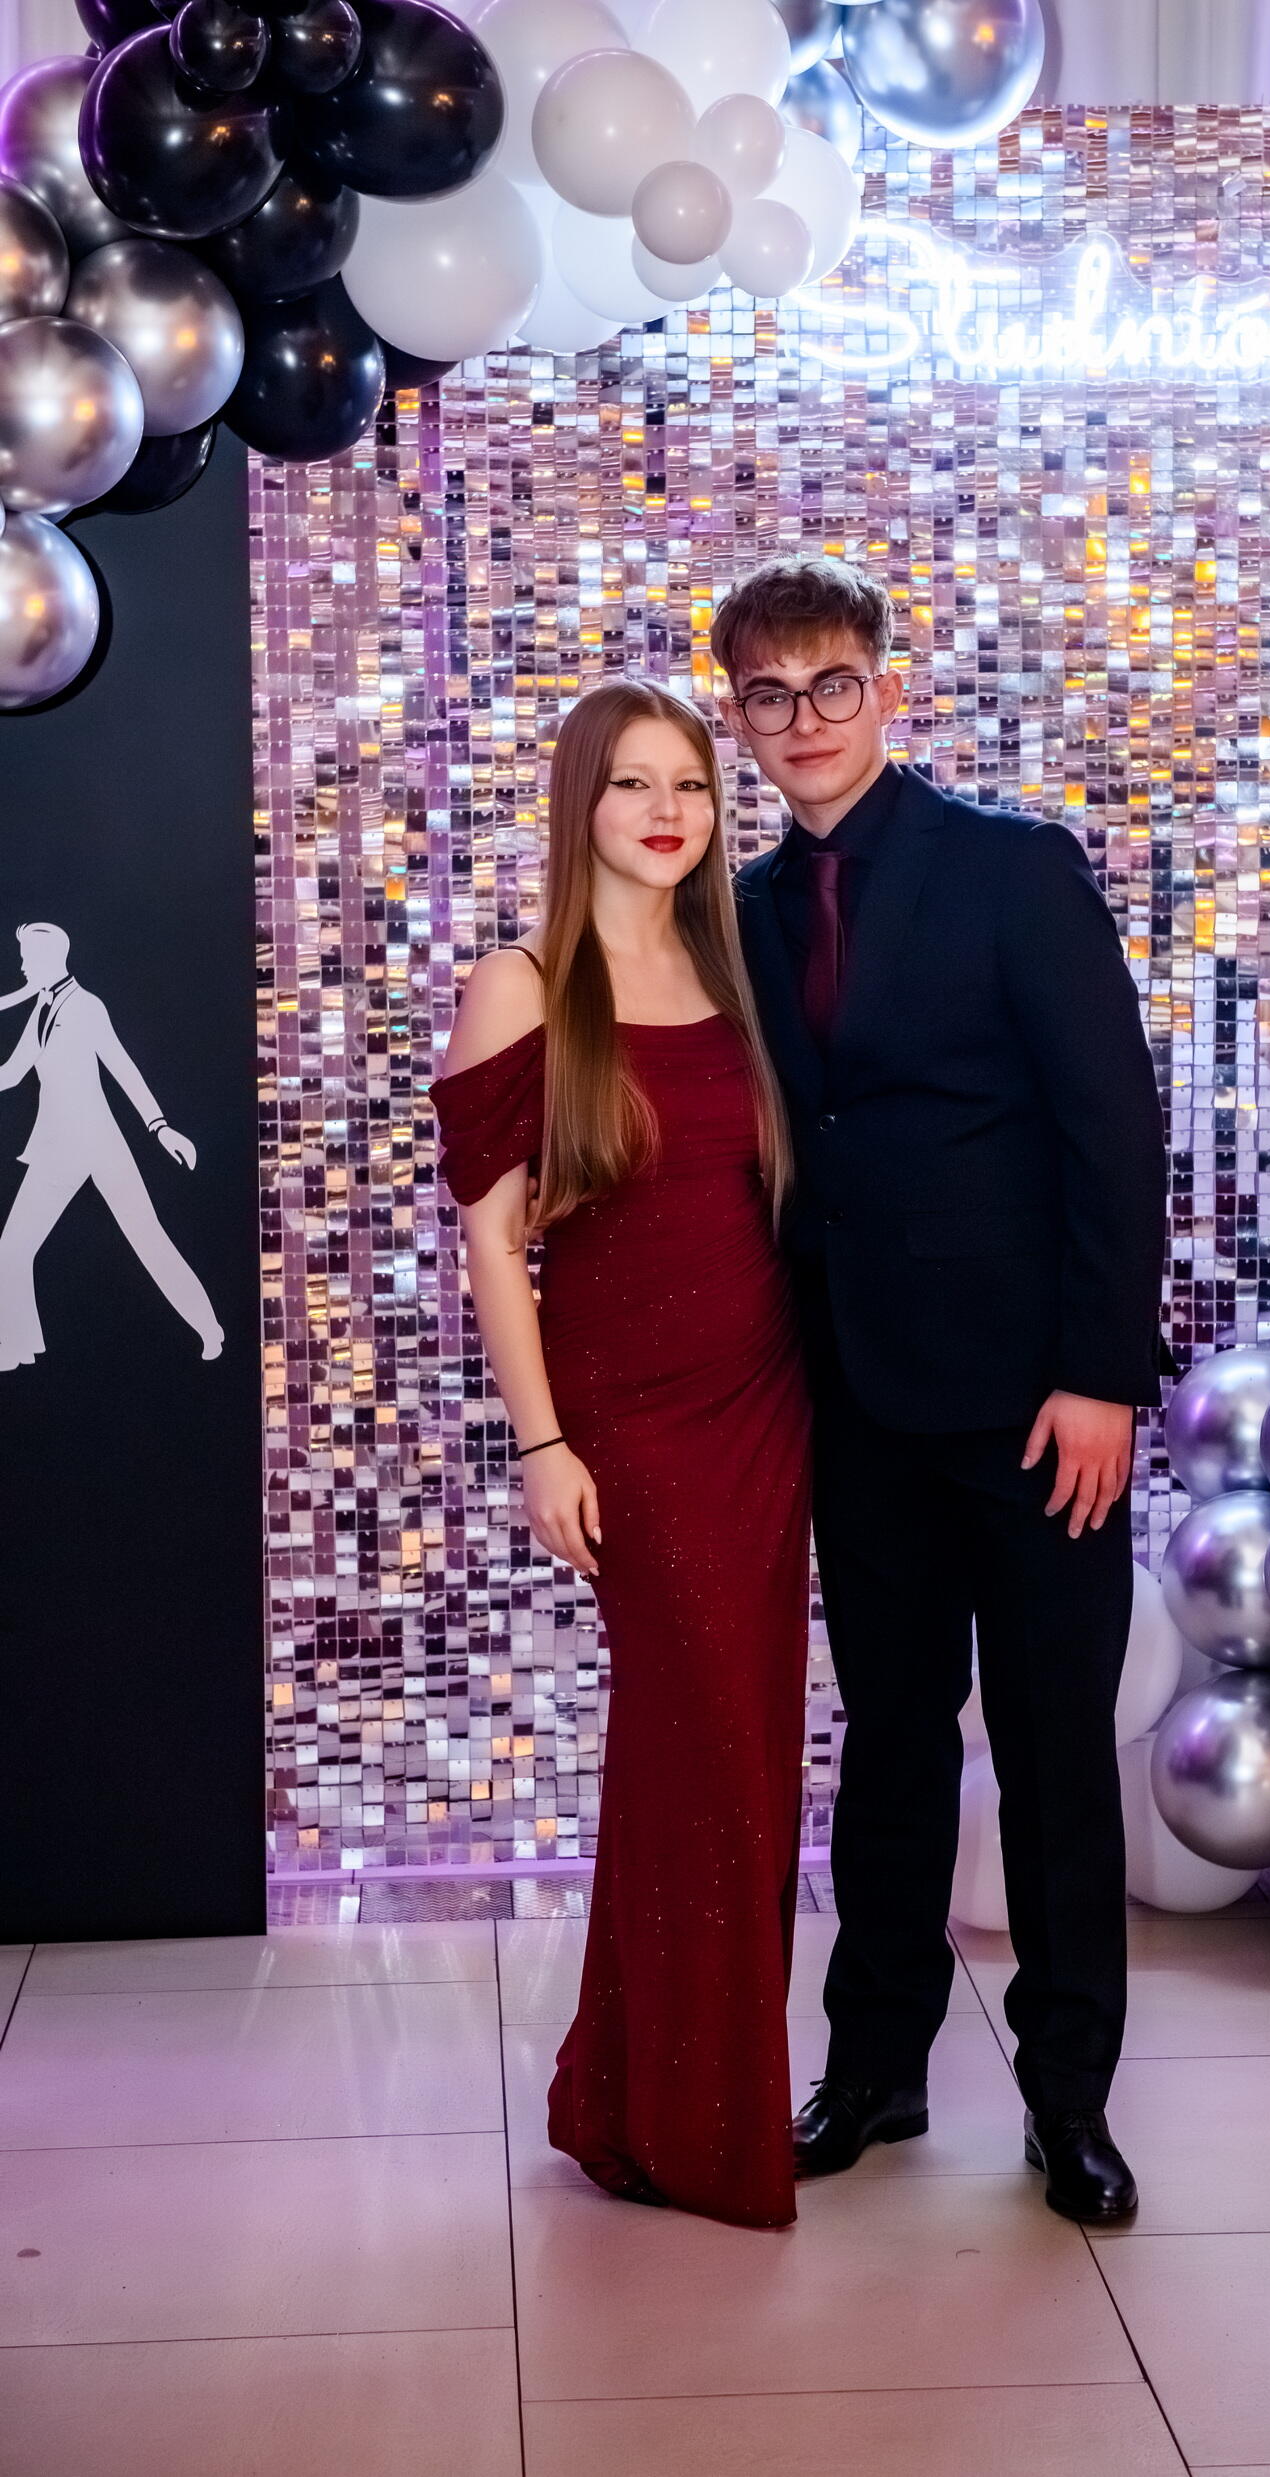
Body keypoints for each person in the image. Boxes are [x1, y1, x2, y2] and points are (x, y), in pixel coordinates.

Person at [718, 556, 1168, 2224]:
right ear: (738, 719)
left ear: (885, 691)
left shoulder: (1009, 868)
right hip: (854, 1400)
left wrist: (1100, 1376)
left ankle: (1069, 2104)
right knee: (890, 1749)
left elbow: (1113, 1130)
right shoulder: (742, 908)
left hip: (1038, 1408)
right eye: (769, 694)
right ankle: (874, 2068)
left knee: (1052, 1762)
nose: (805, 719)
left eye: (832, 683)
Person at [430, 680, 810, 2231]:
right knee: (705, 1742)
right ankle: (693, 2120)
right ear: (578, 800)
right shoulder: (521, 985)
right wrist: (542, 1441)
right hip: (629, 1417)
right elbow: (490, 1241)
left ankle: (637, 2097)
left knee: (734, 1756)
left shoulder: (737, 968)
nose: (667, 812)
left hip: (764, 1401)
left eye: (691, 785)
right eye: (633, 783)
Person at [0, 922, 220, 1372]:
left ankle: (209, 1328)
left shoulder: (87, 1007)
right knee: (12, 1248)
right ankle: (16, 1346)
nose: (21, 966)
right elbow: (12, 1072)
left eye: (26, 958)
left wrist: (160, 1128)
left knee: (148, 1238)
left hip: (100, 1143)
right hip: (57, 1147)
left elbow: (124, 1068)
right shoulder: (42, 1005)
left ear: (48, 959)